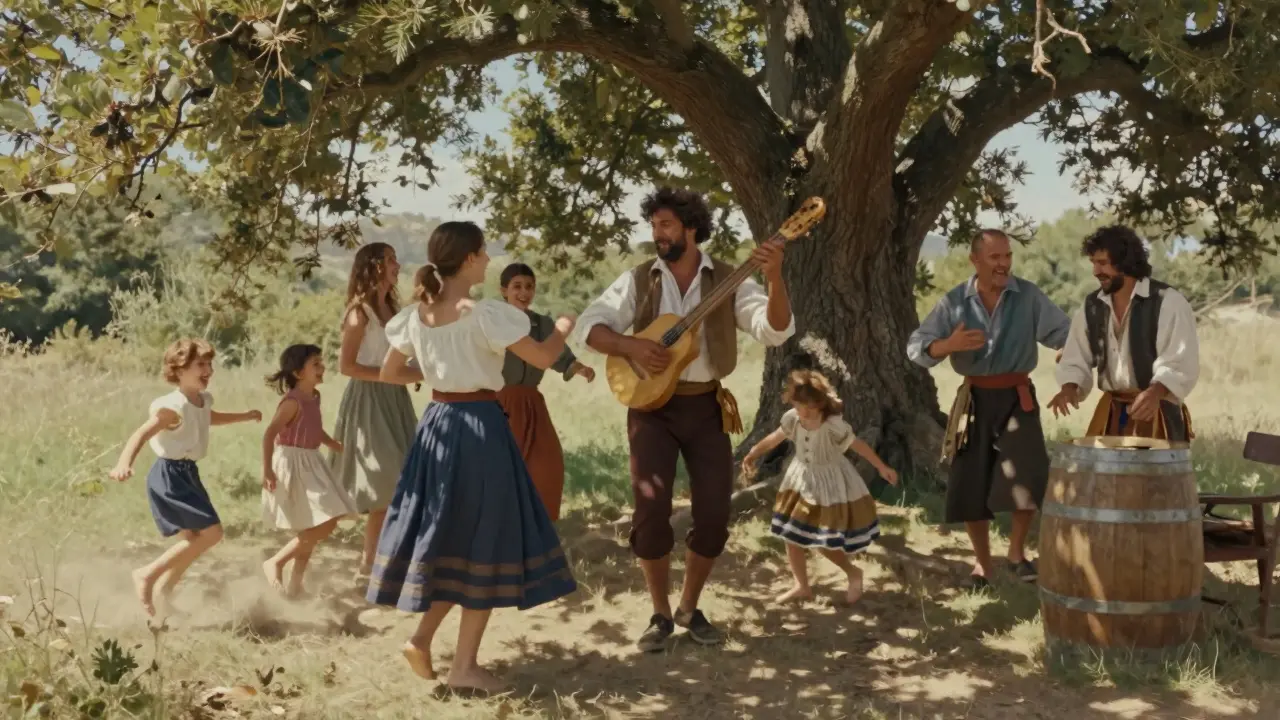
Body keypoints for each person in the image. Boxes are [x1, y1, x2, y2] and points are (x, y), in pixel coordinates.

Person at [577, 186, 794, 652]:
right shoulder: (639, 280)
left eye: (667, 225)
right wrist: (632, 346)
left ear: (691, 228)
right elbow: (588, 326)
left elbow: (774, 330)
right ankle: (659, 614)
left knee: (715, 513)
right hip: (650, 408)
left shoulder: (731, 279)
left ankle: (689, 607)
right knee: (651, 510)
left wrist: (775, 278)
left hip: (706, 406)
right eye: (654, 225)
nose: (658, 233)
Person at [368, 221, 578, 693]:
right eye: (483, 253)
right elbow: (543, 358)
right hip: (481, 425)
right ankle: (463, 666)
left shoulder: (419, 314)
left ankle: (423, 641)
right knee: (485, 542)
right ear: (467, 259)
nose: (487, 259)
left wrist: (442, 370)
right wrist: (565, 325)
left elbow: (390, 372)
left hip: (438, 422)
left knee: (456, 544)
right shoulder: (483, 314)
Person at [906, 229, 1071, 590]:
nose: (1004, 264)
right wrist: (946, 345)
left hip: (1017, 396)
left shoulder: (1027, 296)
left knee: (1027, 476)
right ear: (975, 260)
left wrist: (1069, 352)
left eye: (1007, 256)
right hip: (974, 402)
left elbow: (1065, 332)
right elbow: (916, 347)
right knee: (970, 483)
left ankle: (1016, 554)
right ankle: (982, 564)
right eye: (995, 257)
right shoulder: (954, 303)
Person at [109, 339, 262, 617]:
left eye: (209, 364)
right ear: (178, 370)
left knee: (190, 540)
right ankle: (146, 575)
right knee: (212, 533)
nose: (208, 369)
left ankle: (164, 595)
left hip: (188, 474)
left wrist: (244, 415)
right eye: (200, 364)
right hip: (169, 476)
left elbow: (208, 418)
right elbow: (141, 433)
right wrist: (123, 463)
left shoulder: (201, 401)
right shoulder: (172, 407)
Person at [741, 370, 898, 605]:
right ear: (792, 401)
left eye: (812, 407)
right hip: (800, 480)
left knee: (823, 540)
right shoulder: (792, 419)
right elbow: (774, 437)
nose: (805, 411)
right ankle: (801, 585)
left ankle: (853, 572)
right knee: (791, 535)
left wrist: (881, 467)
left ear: (822, 403)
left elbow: (858, 445)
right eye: (800, 405)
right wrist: (753, 454)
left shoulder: (832, 425)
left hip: (830, 485)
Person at [1049, 225, 1200, 441]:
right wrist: (1069, 388)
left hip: (1157, 412)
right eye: (1093, 263)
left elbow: (1180, 360)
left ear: (1125, 263)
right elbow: (1076, 355)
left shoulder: (1167, 302)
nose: (1095, 272)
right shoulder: (1092, 306)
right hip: (1112, 413)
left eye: (1102, 263)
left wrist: (1155, 393)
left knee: (1156, 474)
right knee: (1106, 474)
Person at [330, 242, 418, 582]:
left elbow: (395, 357)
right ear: (375, 266)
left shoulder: (392, 309)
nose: (397, 264)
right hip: (368, 401)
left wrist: (415, 370)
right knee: (385, 481)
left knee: (401, 480)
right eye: (391, 259)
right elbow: (347, 366)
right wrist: (389, 375)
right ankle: (370, 565)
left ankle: (378, 562)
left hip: (394, 399)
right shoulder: (359, 313)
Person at [496, 262, 596, 522]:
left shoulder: (541, 324)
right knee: (502, 474)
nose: (524, 292)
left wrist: (577, 367)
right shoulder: (495, 321)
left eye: (529, 286)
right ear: (504, 290)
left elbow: (558, 355)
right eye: (517, 286)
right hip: (498, 405)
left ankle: (539, 532)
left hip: (532, 405)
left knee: (547, 468)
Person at [261, 344, 357, 598]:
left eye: (321, 362)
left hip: (312, 461)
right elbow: (270, 433)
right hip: (293, 463)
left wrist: (333, 444)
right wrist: (268, 471)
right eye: (315, 363)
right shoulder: (292, 402)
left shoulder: (314, 397)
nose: (322, 367)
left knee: (310, 527)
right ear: (298, 372)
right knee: (326, 520)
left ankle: (295, 586)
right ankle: (276, 562)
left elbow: (314, 428)